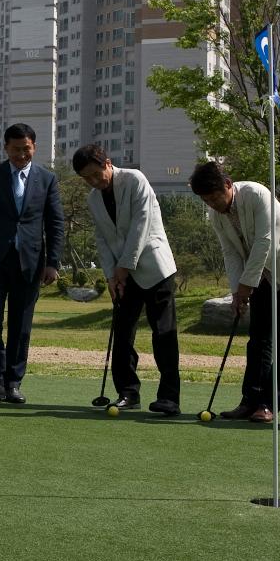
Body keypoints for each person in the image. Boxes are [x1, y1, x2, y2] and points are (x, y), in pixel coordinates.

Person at [190, 160, 280, 424]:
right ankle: (250, 401)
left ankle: (269, 404)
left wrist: (246, 285)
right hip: (258, 277)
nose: (213, 204)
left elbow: (264, 243)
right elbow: (231, 254)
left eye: (215, 197)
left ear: (228, 185)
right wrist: (237, 292)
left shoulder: (256, 194)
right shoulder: (217, 215)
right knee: (258, 340)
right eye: (207, 201)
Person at [74, 145, 182, 415]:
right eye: (86, 178)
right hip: (122, 276)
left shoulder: (134, 180)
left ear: (108, 164)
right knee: (122, 334)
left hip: (154, 268)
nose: (93, 181)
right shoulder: (93, 199)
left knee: (163, 333)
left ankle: (169, 397)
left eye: (96, 174)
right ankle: (128, 392)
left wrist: (123, 268)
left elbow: (140, 226)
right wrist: (111, 275)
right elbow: (102, 239)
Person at [0, 124, 64, 404]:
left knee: (21, 327)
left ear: (34, 147)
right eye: (16, 149)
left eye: (27, 148)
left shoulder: (47, 179)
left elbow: (55, 224)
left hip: (30, 264)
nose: (22, 154)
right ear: (6, 147)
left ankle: (13, 383)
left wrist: (53, 262)